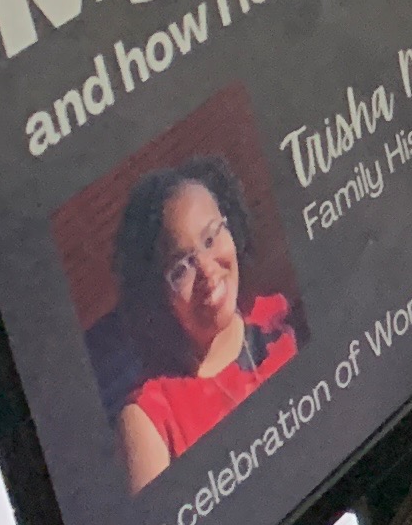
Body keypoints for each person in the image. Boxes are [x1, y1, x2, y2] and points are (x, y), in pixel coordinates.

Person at [109, 158, 300, 492]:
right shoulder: (149, 419)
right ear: (154, 294)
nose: (208, 271)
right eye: (181, 268)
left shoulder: (283, 319)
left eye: (211, 239)